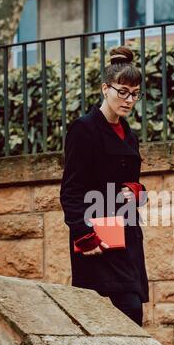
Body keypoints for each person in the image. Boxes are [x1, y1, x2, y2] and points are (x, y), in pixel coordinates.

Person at [60, 45, 149, 327]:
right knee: (106, 314)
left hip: (127, 232)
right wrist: (84, 235)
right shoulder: (83, 129)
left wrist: (137, 192)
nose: (128, 99)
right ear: (104, 88)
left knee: (132, 313)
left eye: (134, 93)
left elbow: (132, 182)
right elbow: (71, 190)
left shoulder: (130, 135)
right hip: (97, 235)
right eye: (122, 91)